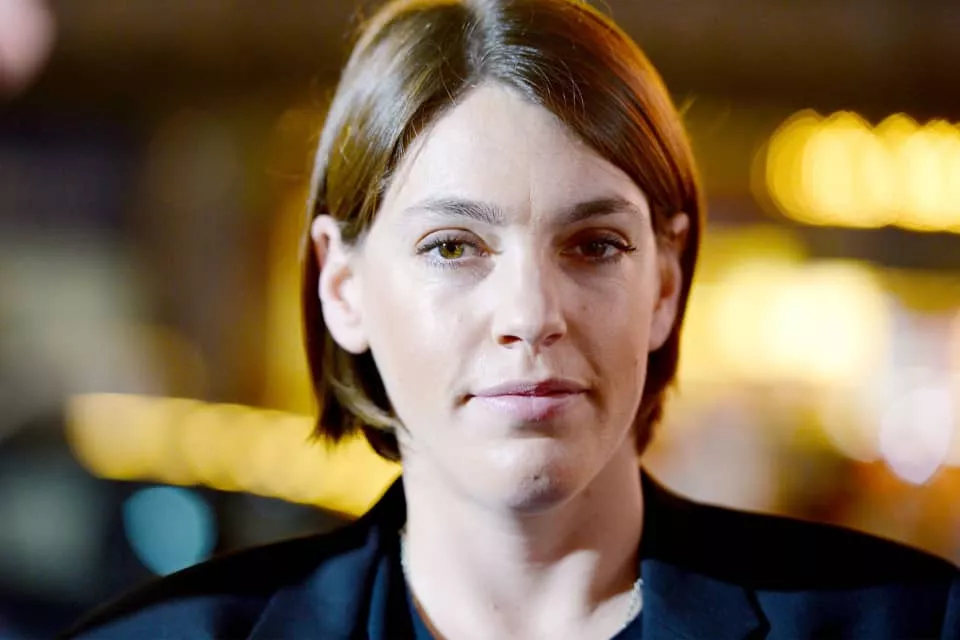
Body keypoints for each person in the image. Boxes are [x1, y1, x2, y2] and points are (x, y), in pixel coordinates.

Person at [64, 0, 960, 638]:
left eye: (594, 245)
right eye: (454, 246)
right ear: (342, 286)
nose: (531, 315)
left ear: (665, 281)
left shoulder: (909, 622)